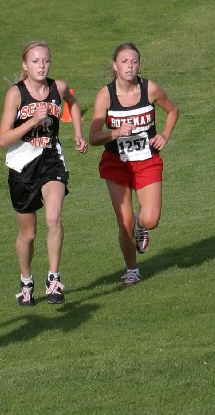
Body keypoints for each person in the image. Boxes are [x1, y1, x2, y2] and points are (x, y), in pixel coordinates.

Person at [0, 40, 88, 306]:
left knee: (53, 216)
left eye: (46, 61)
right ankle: (26, 282)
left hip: (51, 161)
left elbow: (73, 104)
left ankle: (54, 279)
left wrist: (78, 134)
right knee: (28, 235)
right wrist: (33, 121)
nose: (41, 66)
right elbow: (3, 139)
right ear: (25, 65)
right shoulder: (16, 94)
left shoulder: (57, 87)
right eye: (36, 61)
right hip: (22, 166)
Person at [89, 43, 179, 286]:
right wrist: (116, 132)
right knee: (124, 223)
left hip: (147, 160)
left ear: (139, 65)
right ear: (115, 66)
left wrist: (165, 135)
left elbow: (172, 111)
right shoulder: (105, 95)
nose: (129, 66)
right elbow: (93, 137)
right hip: (116, 164)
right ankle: (132, 270)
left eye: (134, 61)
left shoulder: (150, 89)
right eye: (124, 61)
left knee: (150, 220)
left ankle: (141, 226)